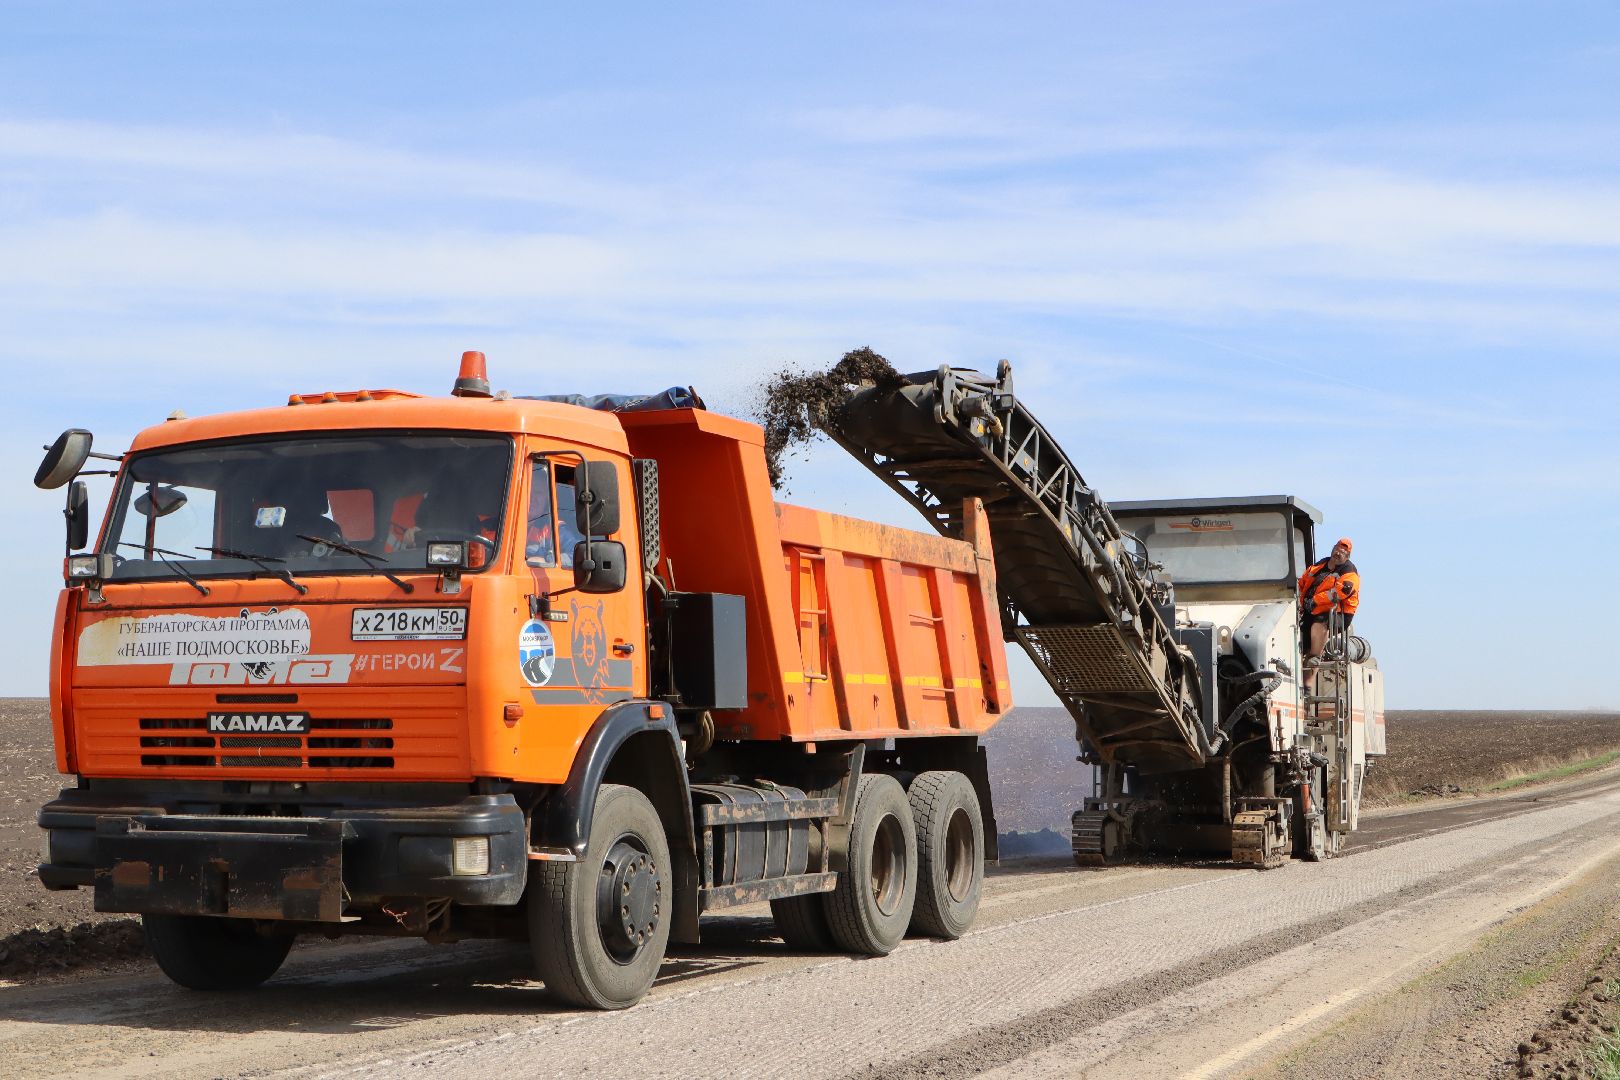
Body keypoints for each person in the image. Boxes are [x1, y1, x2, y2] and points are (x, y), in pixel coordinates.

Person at [1299, 537, 1360, 662]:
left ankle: (1314, 657)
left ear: (1347, 556)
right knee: (1301, 631)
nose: (1338, 553)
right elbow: (1302, 582)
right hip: (1312, 609)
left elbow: (1339, 592)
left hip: (1338, 614)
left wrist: (1315, 600)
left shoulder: (1350, 572)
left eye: (1343, 552)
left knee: (1320, 623)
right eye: (1337, 549)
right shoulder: (1319, 565)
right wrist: (1298, 601)